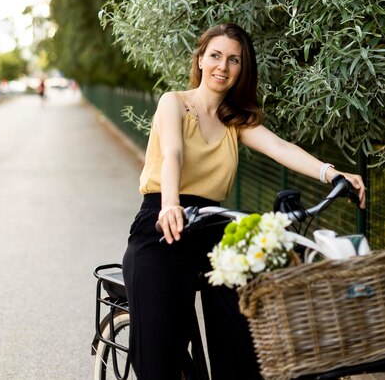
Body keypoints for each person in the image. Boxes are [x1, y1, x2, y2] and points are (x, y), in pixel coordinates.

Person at [122, 22, 366, 380]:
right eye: (216, 56)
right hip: (164, 225)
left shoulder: (235, 121)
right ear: (201, 59)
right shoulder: (174, 102)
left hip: (214, 228)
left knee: (244, 339)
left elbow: (280, 148)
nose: (223, 66)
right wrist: (170, 204)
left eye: (234, 60)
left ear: (242, 69)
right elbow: (172, 153)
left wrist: (331, 173)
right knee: (159, 359)